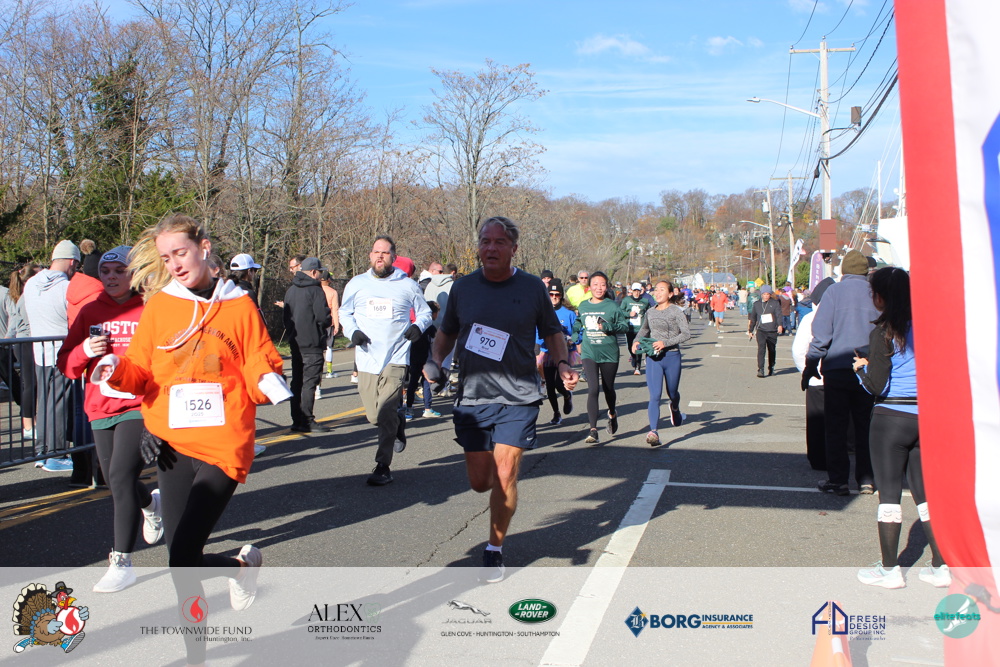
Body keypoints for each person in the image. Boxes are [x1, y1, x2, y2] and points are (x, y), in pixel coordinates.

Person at [92, 213, 291, 665]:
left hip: (223, 444)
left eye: (180, 253)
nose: (175, 264)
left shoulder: (238, 305)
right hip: (172, 444)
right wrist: (113, 368)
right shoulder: (162, 305)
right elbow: (141, 370)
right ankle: (229, 591)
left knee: (183, 552)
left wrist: (268, 382)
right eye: (166, 258)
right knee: (180, 564)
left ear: (203, 247)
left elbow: (259, 362)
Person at [426, 216, 578, 583]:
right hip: (473, 395)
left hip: (519, 394)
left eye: (499, 242)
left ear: (513, 249)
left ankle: (494, 549)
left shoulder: (531, 287)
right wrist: (435, 361)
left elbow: (552, 332)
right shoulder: (464, 288)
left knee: (506, 471)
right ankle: (498, 496)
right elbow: (447, 332)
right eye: (485, 241)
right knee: (481, 481)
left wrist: (561, 363)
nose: (490, 248)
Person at [56, 246, 163, 593]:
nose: (112, 277)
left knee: (119, 475)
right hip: (100, 406)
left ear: (134, 274)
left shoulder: (150, 307)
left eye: (120, 271)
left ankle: (122, 562)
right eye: (106, 271)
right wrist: (84, 351)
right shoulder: (90, 310)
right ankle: (151, 503)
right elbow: (66, 364)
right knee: (114, 479)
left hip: (138, 405)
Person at [853, 267, 949, 589]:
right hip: (925, 416)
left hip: (891, 417)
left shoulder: (883, 332)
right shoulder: (928, 328)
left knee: (890, 494)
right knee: (925, 493)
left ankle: (890, 569)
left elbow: (876, 386)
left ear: (880, 297)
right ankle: (941, 565)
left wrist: (860, 370)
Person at [339, 236, 432, 486]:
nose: (380, 256)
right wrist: (352, 332)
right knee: (374, 416)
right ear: (370, 255)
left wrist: (418, 326)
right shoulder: (357, 283)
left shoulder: (407, 285)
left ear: (393, 257)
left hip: (396, 357)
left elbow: (425, 313)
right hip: (367, 358)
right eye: (376, 252)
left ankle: (383, 466)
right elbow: (344, 312)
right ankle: (398, 422)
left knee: (386, 410)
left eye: (385, 252)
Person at [803, 250, 880, 496]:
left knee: (836, 426)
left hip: (837, 368)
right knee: (865, 426)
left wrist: (811, 364)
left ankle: (838, 480)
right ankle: (867, 479)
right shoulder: (876, 293)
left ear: (844, 271)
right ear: (866, 271)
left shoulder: (834, 292)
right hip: (868, 368)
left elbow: (821, 333)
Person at [23, 241, 85, 474]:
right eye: (76, 265)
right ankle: (57, 454)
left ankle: (43, 451)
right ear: (72, 262)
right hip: (61, 352)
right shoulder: (66, 287)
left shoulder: (31, 283)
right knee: (59, 405)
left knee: (44, 403)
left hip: (39, 352)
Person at [634, 281, 691, 446]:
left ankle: (675, 407)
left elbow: (686, 334)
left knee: (672, 392)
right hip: (654, 358)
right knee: (655, 396)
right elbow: (644, 329)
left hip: (672, 356)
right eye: (656, 290)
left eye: (662, 290)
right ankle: (653, 431)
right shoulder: (650, 312)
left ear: (670, 294)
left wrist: (665, 343)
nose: (657, 293)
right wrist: (636, 341)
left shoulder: (676, 311)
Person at [573, 271, 627, 444]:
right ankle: (593, 430)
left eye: (602, 284)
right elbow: (578, 323)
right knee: (593, 389)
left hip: (609, 353)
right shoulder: (583, 306)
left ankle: (612, 413)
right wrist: (574, 337)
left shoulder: (612, 306)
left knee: (608, 388)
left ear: (607, 287)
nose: (599, 288)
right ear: (589, 286)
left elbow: (624, 326)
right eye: (595, 284)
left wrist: (608, 327)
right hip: (589, 353)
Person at [283, 257, 332, 433]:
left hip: (296, 342)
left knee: (297, 381)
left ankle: (297, 420)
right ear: (313, 272)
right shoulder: (315, 290)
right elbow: (322, 317)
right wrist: (327, 322)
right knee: (310, 382)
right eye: (319, 272)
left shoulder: (291, 291)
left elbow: (286, 318)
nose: (320, 276)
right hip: (312, 342)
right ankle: (307, 419)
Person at [791, 277, 835, 471]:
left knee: (817, 421)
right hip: (837, 376)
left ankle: (818, 458)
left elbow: (799, 350)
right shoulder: (842, 316)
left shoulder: (810, 318)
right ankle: (837, 457)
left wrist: (807, 370)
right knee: (838, 420)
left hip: (817, 377)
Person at [539, 283, 577, 425]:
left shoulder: (569, 313)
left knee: (558, 384)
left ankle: (567, 395)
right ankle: (556, 413)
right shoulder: (542, 312)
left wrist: (571, 339)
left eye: (557, 295)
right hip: (547, 352)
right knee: (549, 385)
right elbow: (536, 332)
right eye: (551, 294)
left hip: (564, 352)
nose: (554, 297)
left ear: (561, 296)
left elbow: (577, 331)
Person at [405, 301, 440, 420]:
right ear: (433, 313)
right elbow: (434, 344)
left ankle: (409, 409)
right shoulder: (430, 328)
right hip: (427, 359)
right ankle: (427, 409)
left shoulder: (414, 325)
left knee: (413, 383)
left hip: (414, 358)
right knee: (426, 384)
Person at [747, 285, 783, 378]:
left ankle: (771, 367)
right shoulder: (757, 304)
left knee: (772, 350)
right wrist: (750, 330)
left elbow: (779, 315)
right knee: (761, 349)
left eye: (767, 294)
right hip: (761, 330)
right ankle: (761, 369)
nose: (766, 296)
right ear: (761, 294)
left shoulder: (775, 303)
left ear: (770, 294)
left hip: (772, 330)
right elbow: (753, 318)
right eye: (764, 294)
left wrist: (780, 325)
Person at [619, 283, 651, 375]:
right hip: (630, 328)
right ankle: (633, 357)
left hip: (640, 329)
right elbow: (620, 312)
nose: (636, 293)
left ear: (641, 291)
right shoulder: (626, 300)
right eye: (635, 291)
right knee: (630, 347)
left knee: (638, 346)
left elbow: (650, 312)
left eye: (638, 291)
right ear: (631, 291)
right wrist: (629, 314)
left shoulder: (645, 301)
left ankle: (638, 367)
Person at [319, 270, 341, 379]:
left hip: (317, 323)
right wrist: (337, 325)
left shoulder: (315, 290)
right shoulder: (333, 292)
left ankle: (318, 371)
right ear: (328, 280)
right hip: (329, 323)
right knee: (329, 346)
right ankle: (329, 371)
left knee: (318, 347)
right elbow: (335, 310)